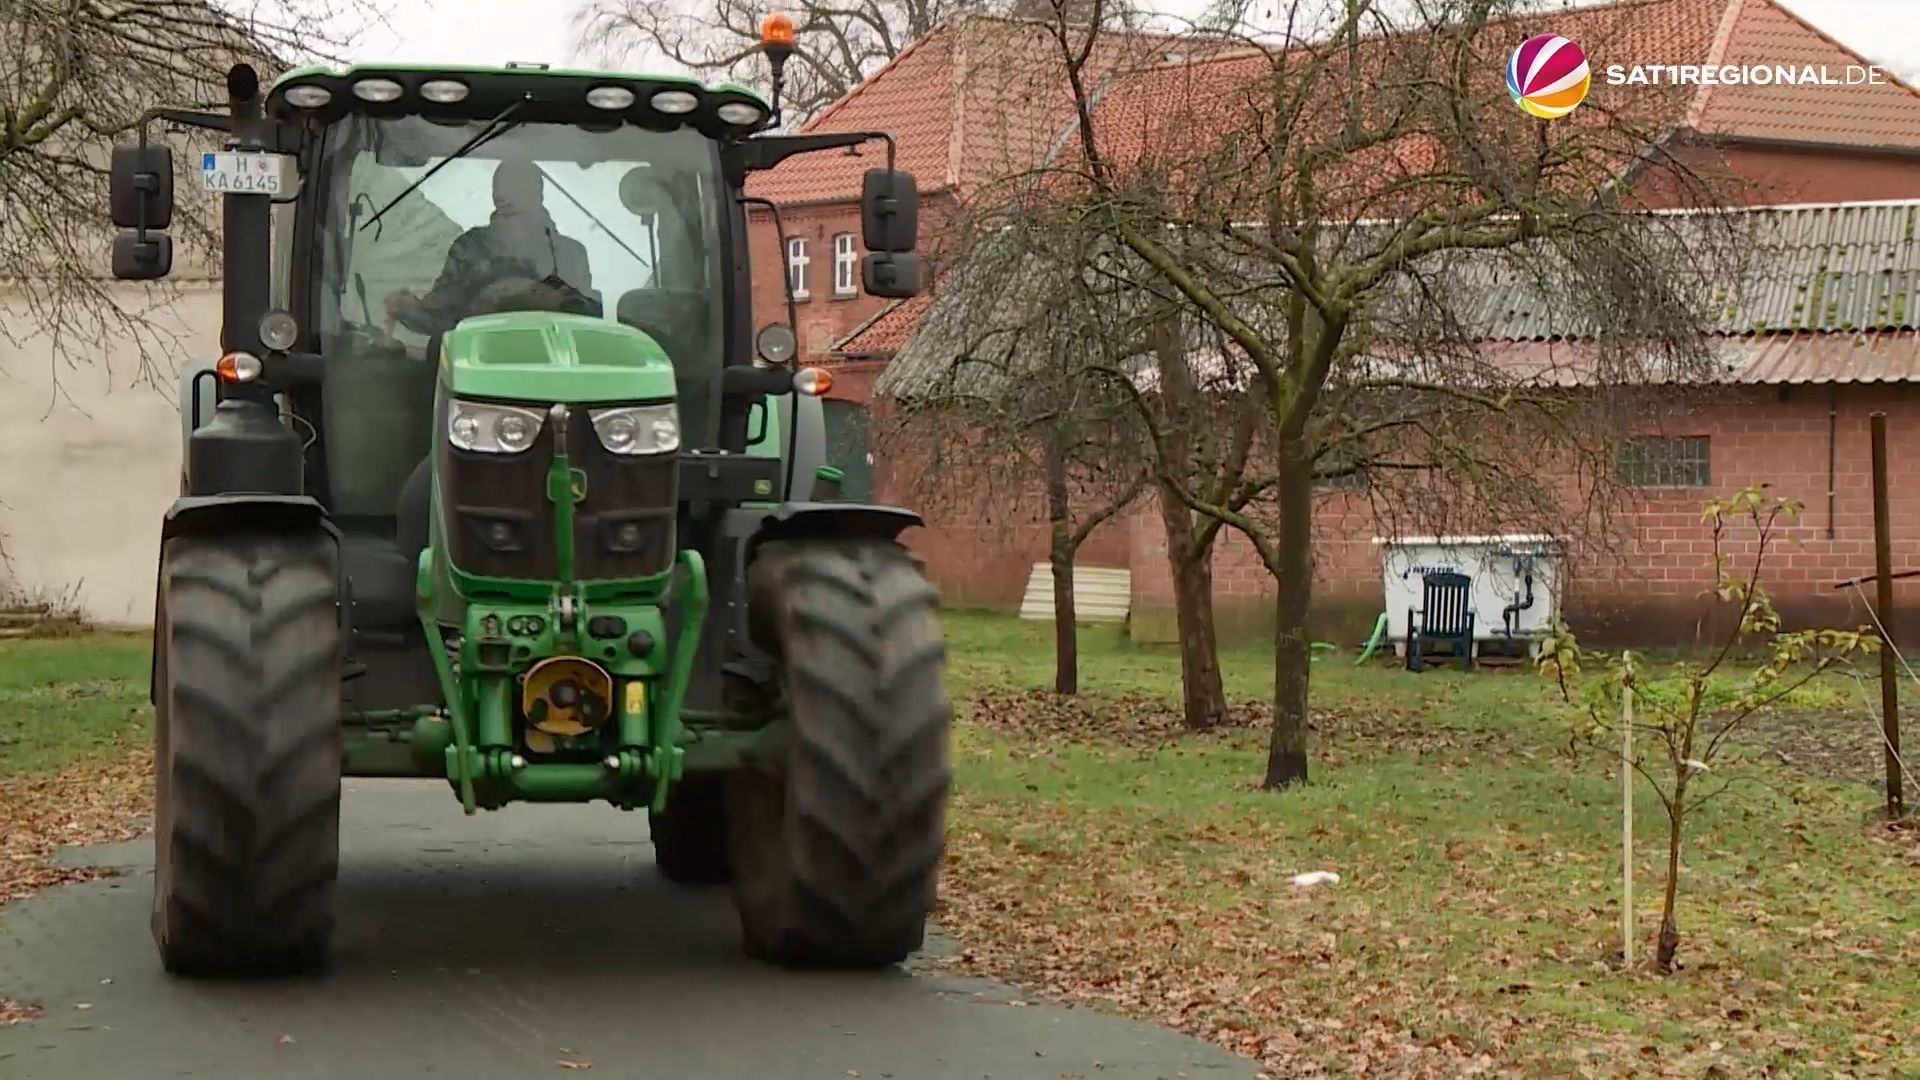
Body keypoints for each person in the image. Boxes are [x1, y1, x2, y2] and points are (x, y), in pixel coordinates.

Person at [385, 158, 597, 338]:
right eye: (501, 190)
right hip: (472, 362)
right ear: (495, 196)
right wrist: (408, 310)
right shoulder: (470, 247)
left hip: (559, 370)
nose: (505, 197)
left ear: (538, 194)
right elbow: (441, 317)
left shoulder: (570, 254)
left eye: (517, 188)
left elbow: (585, 329)